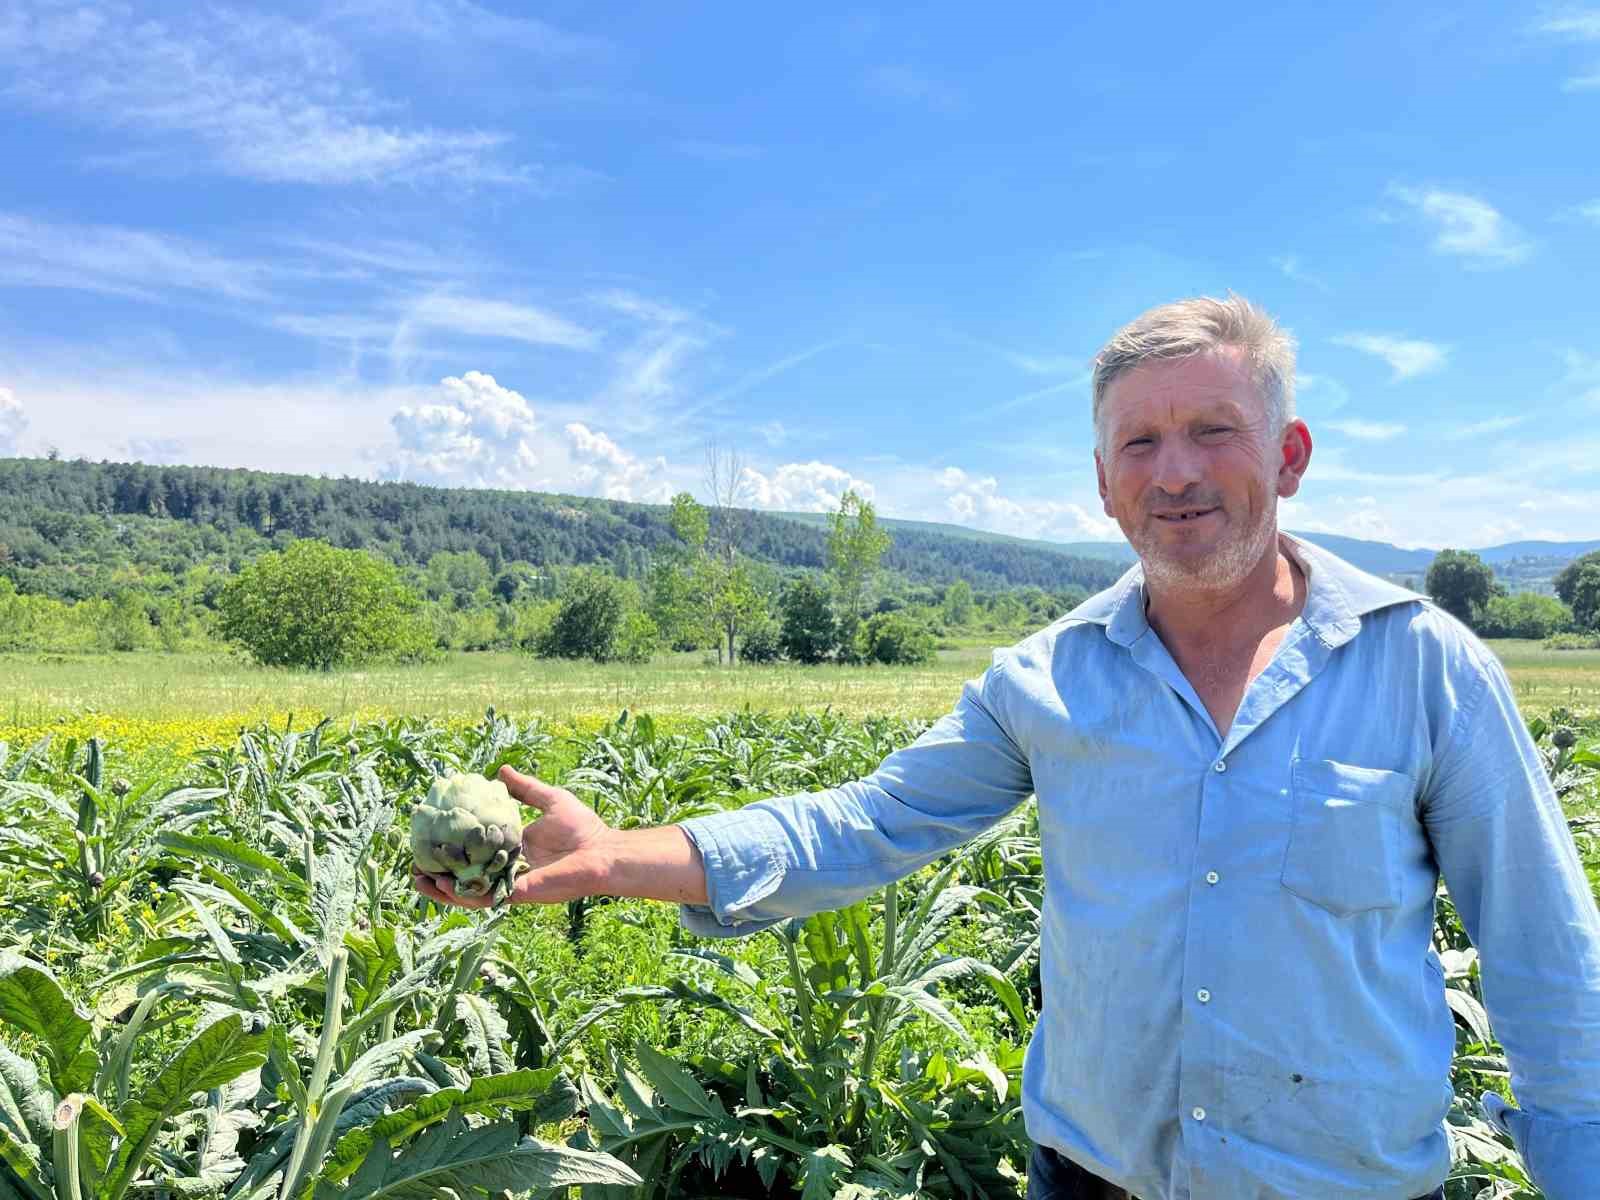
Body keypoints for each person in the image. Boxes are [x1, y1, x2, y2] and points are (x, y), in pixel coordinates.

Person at [414, 296, 1600, 1200]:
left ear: (1288, 454)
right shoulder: (1043, 682)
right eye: (1139, 443)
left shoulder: (1425, 668)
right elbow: (865, 823)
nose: (1175, 472)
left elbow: (1545, 962)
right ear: (1101, 484)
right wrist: (620, 854)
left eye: (1212, 431)